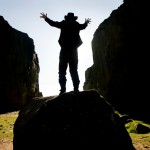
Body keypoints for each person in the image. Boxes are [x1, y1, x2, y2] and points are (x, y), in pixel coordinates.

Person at [40, 12, 91, 95]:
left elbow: (53, 23)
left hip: (64, 50)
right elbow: (83, 26)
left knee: (62, 71)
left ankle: (63, 90)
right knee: (74, 70)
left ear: (67, 18)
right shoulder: (76, 24)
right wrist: (86, 23)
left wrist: (46, 18)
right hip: (74, 51)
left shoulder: (63, 23)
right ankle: (76, 89)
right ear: (74, 18)